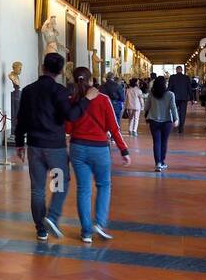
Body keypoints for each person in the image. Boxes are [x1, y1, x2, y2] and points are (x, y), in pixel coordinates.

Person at [14, 52, 90, 240]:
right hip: (54, 149)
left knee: (37, 189)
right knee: (59, 184)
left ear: (43, 67)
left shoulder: (28, 90)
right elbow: (71, 116)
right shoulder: (59, 91)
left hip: (34, 147)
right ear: (61, 71)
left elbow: (21, 119)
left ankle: (41, 229)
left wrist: (18, 143)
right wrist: (86, 100)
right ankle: (51, 217)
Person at [66, 66, 131, 242]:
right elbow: (113, 127)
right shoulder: (103, 99)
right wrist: (123, 149)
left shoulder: (73, 100)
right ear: (91, 80)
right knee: (103, 185)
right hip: (99, 149)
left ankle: (86, 232)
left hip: (77, 148)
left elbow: (68, 127)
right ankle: (99, 223)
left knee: (83, 189)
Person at [144, 75, 179, 171]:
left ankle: (157, 163)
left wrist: (145, 115)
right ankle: (162, 161)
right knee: (164, 142)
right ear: (164, 84)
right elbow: (173, 107)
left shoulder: (152, 93)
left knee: (156, 142)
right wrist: (176, 119)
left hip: (154, 121)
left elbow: (147, 106)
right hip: (167, 121)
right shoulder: (170, 94)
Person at [168, 64, 193, 133]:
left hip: (174, 97)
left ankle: (175, 123)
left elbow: (169, 87)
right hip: (184, 98)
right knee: (183, 112)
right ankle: (181, 127)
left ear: (176, 70)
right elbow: (189, 88)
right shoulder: (186, 77)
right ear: (182, 70)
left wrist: (167, 96)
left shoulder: (172, 77)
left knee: (174, 110)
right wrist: (192, 98)